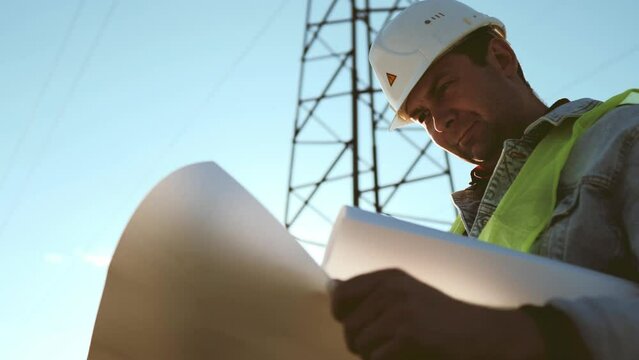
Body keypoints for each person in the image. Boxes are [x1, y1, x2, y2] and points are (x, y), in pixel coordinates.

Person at [329, 0, 639, 359]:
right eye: (422, 115)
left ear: (502, 58)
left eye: (444, 88)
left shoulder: (621, 139)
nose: (439, 123)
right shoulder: (457, 238)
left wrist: (520, 335)